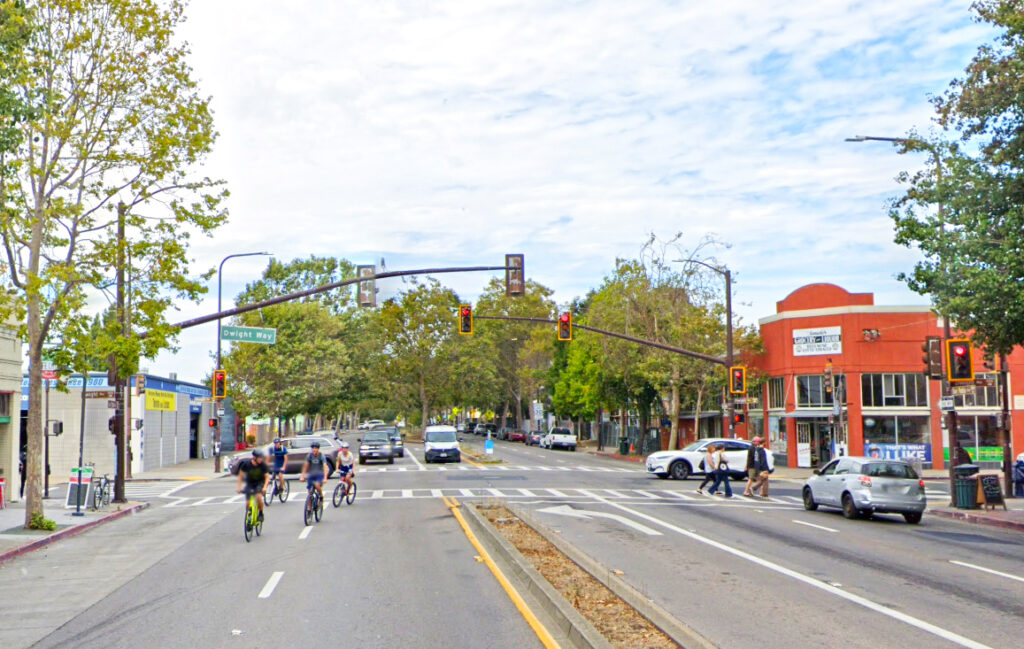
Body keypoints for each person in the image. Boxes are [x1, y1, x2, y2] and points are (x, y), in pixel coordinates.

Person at [235, 448, 271, 521]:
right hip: (250, 483)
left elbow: (267, 477)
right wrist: (239, 488)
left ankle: (261, 513)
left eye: (261, 457)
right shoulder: (246, 464)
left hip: (260, 483)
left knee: (258, 497)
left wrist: (264, 487)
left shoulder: (262, 465)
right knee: (248, 503)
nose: (261, 459)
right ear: (254, 458)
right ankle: (249, 517)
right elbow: (240, 476)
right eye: (259, 458)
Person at [300, 440, 328, 509]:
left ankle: (321, 497)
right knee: (310, 492)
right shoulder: (309, 456)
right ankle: (309, 508)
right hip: (311, 475)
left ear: (318, 449)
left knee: (317, 485)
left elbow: (325, 466)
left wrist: (325, 478)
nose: (314, 449)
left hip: (319, 475)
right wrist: (302, 476)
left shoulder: (321, 456)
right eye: (313, 448)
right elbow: (305, 466)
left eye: (315, 448)